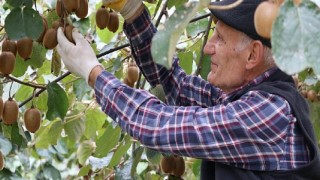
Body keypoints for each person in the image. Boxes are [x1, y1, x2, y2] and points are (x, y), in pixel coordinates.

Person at [56, 0, 320, 179]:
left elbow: (156, 126)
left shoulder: (269, 114)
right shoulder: (247, 100)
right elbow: (175, 84)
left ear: (253, 55)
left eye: (220, 39)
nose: (208, 47)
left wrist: (93, 72)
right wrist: (131, 9)